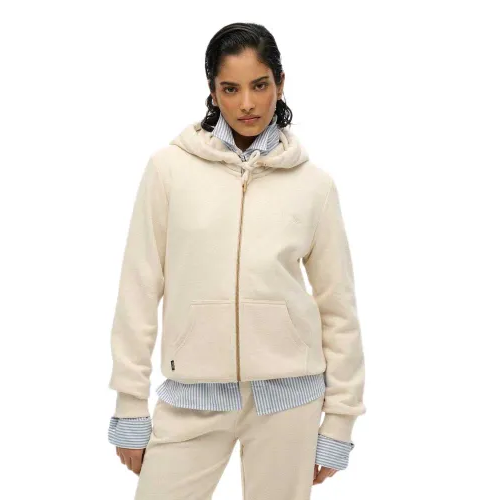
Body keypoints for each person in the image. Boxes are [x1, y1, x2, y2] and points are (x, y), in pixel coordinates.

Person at [107, 22, 366, 500]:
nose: (247, 103)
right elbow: (138, 288)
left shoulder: (314, 186)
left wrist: (340, 420)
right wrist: (129, 402)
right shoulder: (169, 170)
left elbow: (338, 308)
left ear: (280, 84)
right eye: (231, 88)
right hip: (192, 397)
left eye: (259, 85)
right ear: (213, 92)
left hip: (289, 401)